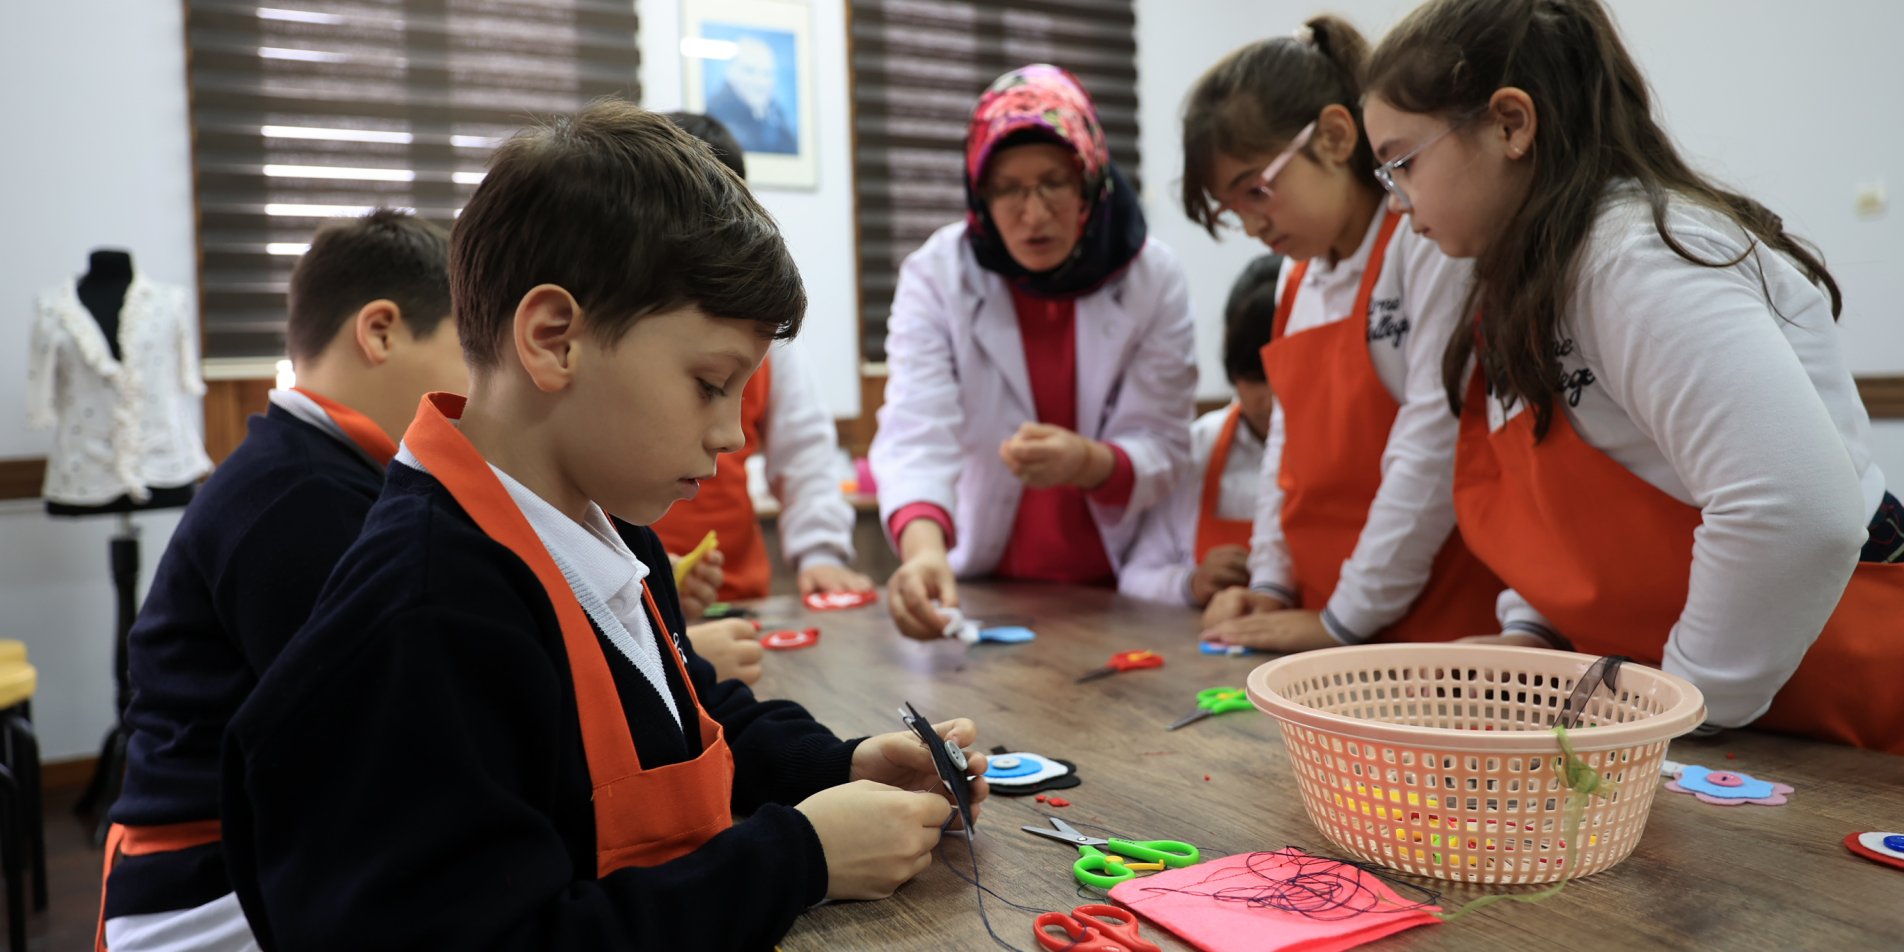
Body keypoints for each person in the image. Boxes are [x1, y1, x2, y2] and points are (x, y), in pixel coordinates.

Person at [220, 101, 991, 949]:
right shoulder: (428, 615)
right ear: (555, 342)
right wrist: (797, 857)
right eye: (709, 383)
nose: (735, 433)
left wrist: (837, 764)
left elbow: (689, 709)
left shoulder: (603, 532)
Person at [1361, 0, 1903, 751]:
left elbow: (1796, 510)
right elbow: (1578, 504)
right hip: (1711, 716)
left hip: (1832, 714)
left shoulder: (1633, 259)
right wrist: (1537, 634)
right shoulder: (1522, 276)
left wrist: (1683, 709)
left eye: (1402, 164)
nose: (1401, 206)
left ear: (1512, 124)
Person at [98, 209, 467, 951]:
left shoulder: (319, 474)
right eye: (470, 347)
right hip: (208, 892)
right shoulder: (300, 500)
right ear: (381, 331)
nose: (480, 383)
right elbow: (403, 727)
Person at [1183, 20, 1502, 653]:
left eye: (1256, 190)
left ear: (1333, 136)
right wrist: (1271, 585)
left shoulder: (1426, 241)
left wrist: (1344, 620)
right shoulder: (1294, 278)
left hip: (1437, 632)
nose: (1250, 224)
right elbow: (1287, 448)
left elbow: (1430, 451)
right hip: (1328, 634)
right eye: (1231, 208)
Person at [872, 63, 1196, 640]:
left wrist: (1086, 462)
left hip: (1124, 584)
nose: (1035, 212)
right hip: (986, 581)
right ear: (979, 191)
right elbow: (917, 432)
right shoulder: (937, 275)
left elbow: (1166, 445)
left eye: (1054, 181)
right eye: (1009, 190)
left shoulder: (1151, 277)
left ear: (1090, 176)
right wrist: (923, 552)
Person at [652, 112, 872, 609]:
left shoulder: (769, 340)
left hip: (739, 597)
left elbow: (806, 455)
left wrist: (821, 553)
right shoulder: (636, 340)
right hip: (639, 601)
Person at [1120, 255, 1282, 607]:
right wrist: (1191, 583)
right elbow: (1134, 577)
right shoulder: (1197, 448)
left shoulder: (1352, 452)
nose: (1271, 400)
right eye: (1255, 378)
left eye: (1287, 379)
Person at [706, 35, 797, 154]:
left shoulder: (775, 116)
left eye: (766, 74)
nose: (760, 82)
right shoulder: (715, 116)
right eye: (750, 71)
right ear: (731, 72)